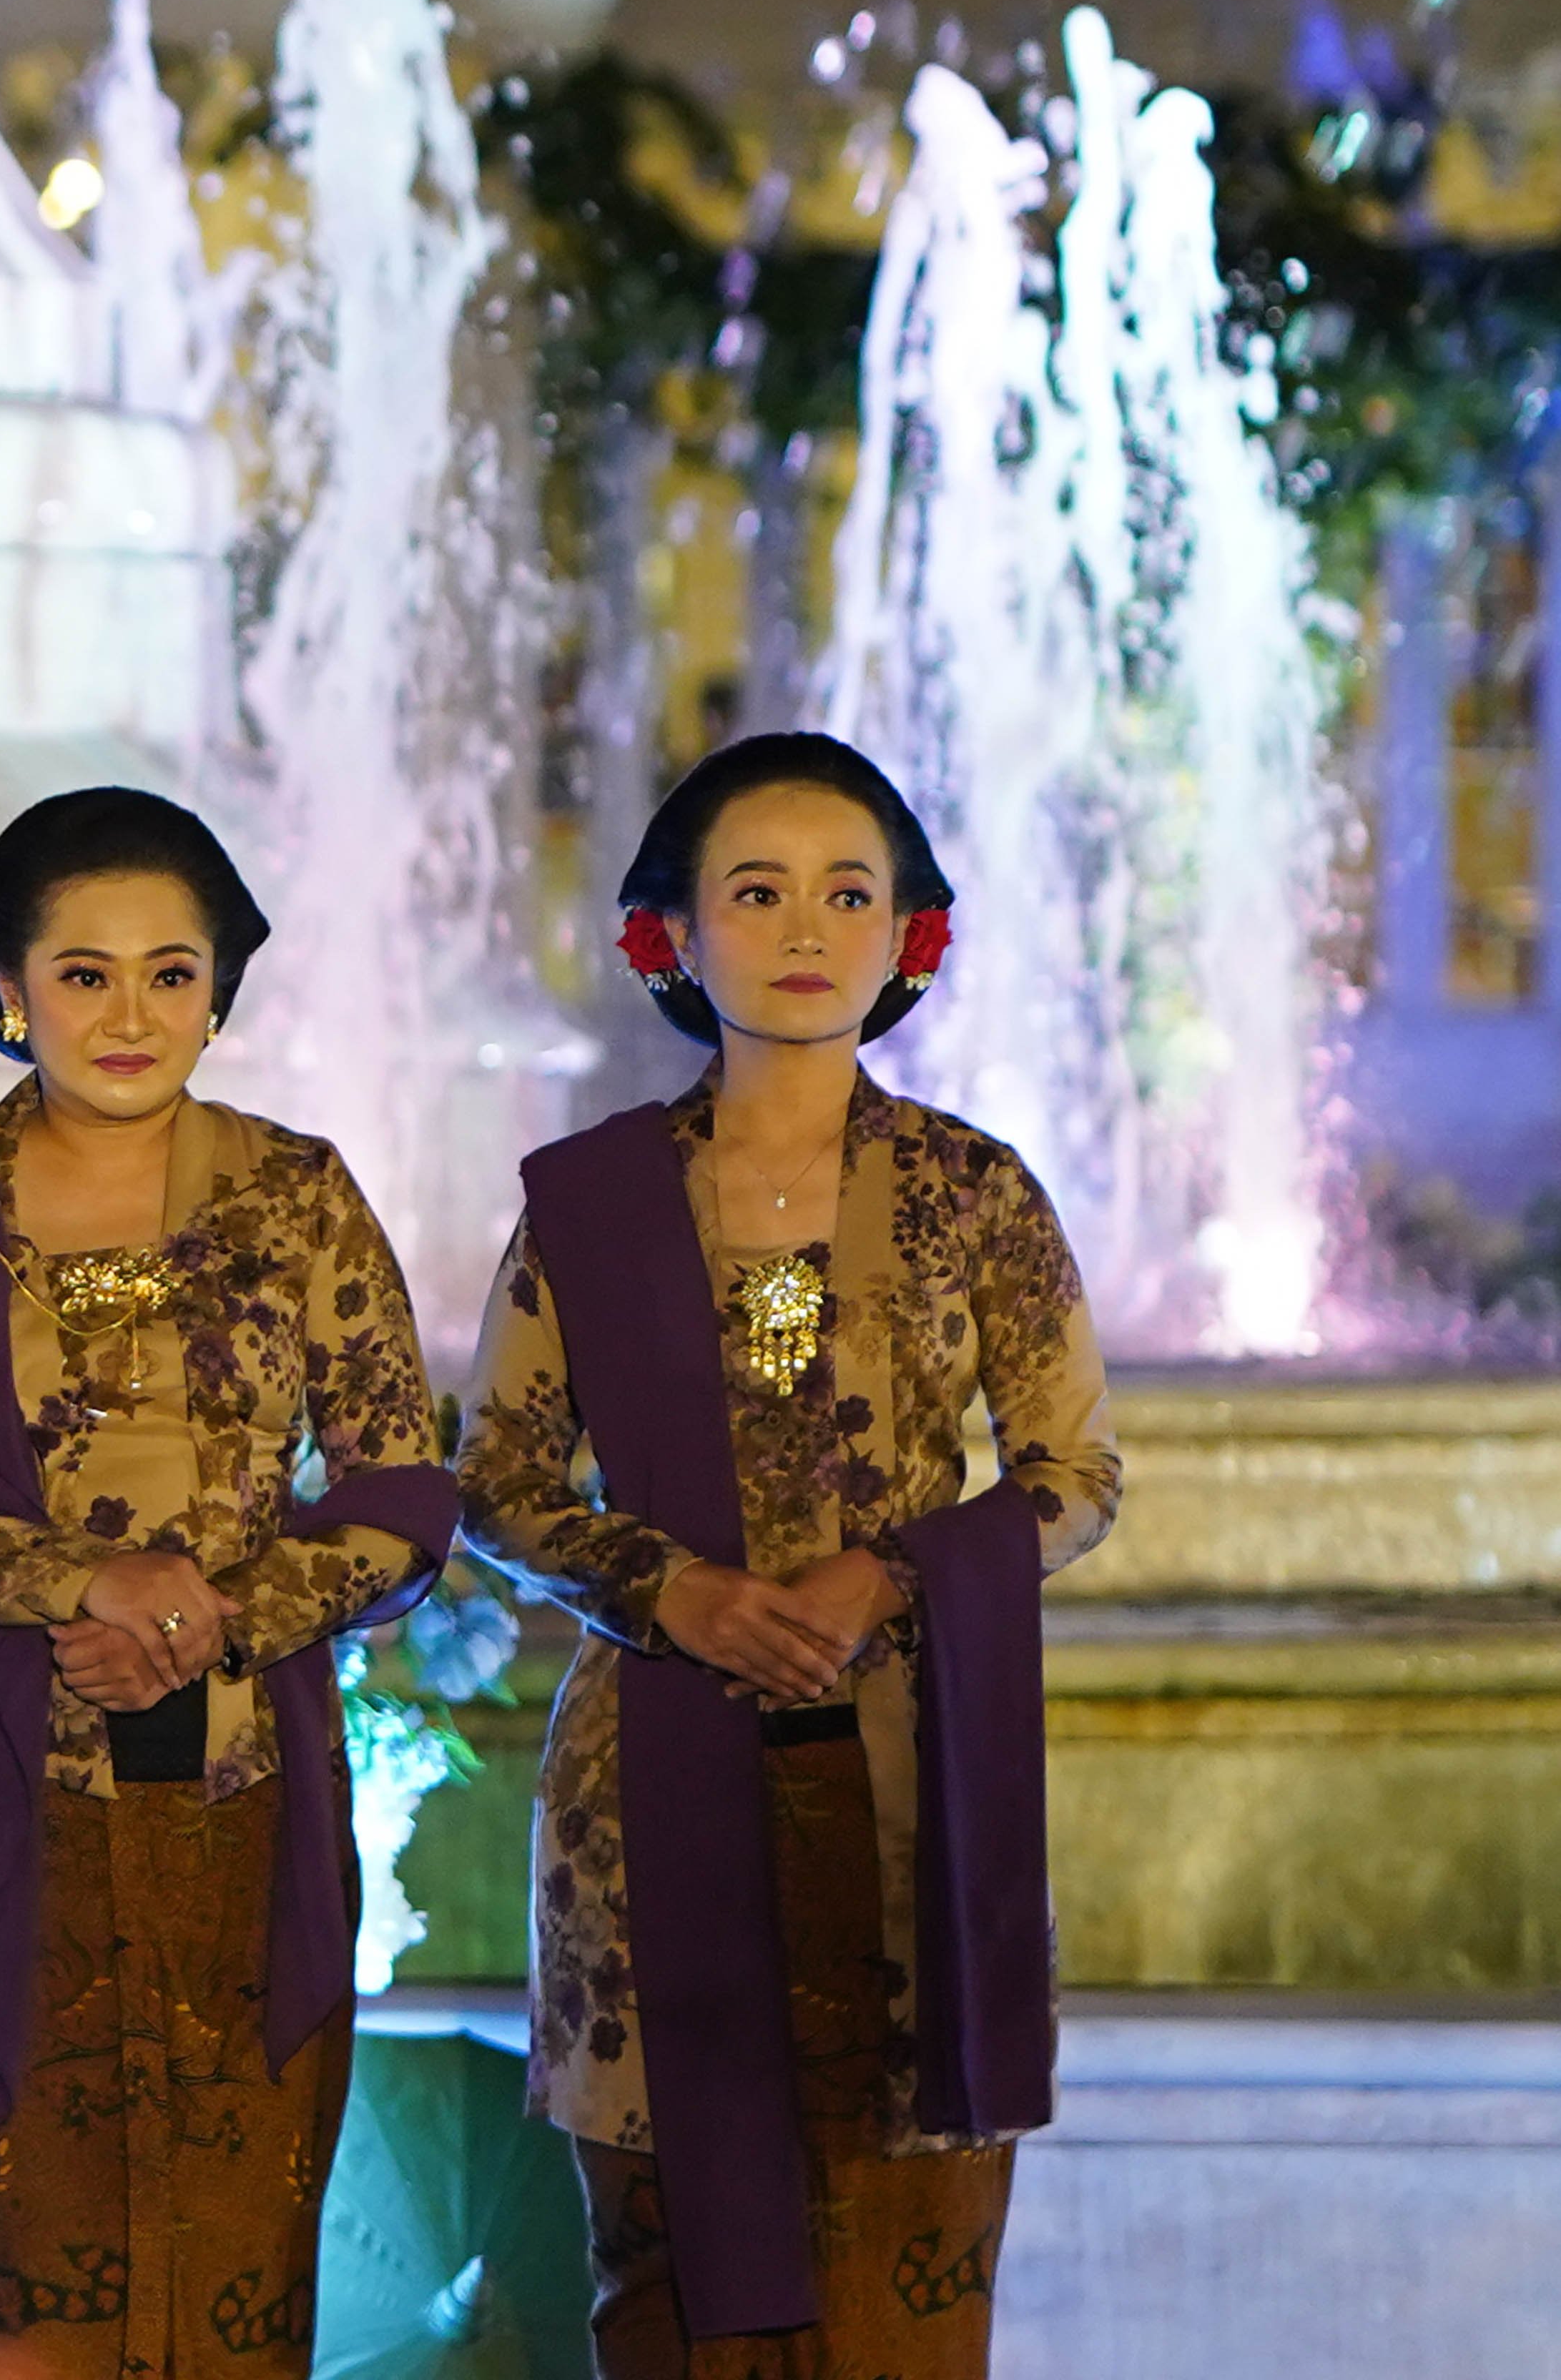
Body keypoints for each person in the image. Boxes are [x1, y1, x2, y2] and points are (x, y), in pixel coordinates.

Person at [457, 732, 1121, 2379]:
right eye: (753, 891)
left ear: (907, 934)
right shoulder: (591, 1203)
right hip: (645, 1793)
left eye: (846, 891)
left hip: (916, 1792)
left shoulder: (973, 1194)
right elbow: (491, 1480)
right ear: (670, 935)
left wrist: (887, 1573)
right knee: (669, 2274)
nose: (803, 925)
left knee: (905, 2263)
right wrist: (668, 1587)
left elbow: (1073, 1474)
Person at [0, 786, 458, 2380]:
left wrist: (212, 1611)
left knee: (225, 2300)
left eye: (172, 970)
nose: (128, 1010)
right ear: (6, 987)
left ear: (219, 989)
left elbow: (401, 1492)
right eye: (81, 972)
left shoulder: (295, 1193)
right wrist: (81, 1583)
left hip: (240, 1804)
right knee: (11, 2301)